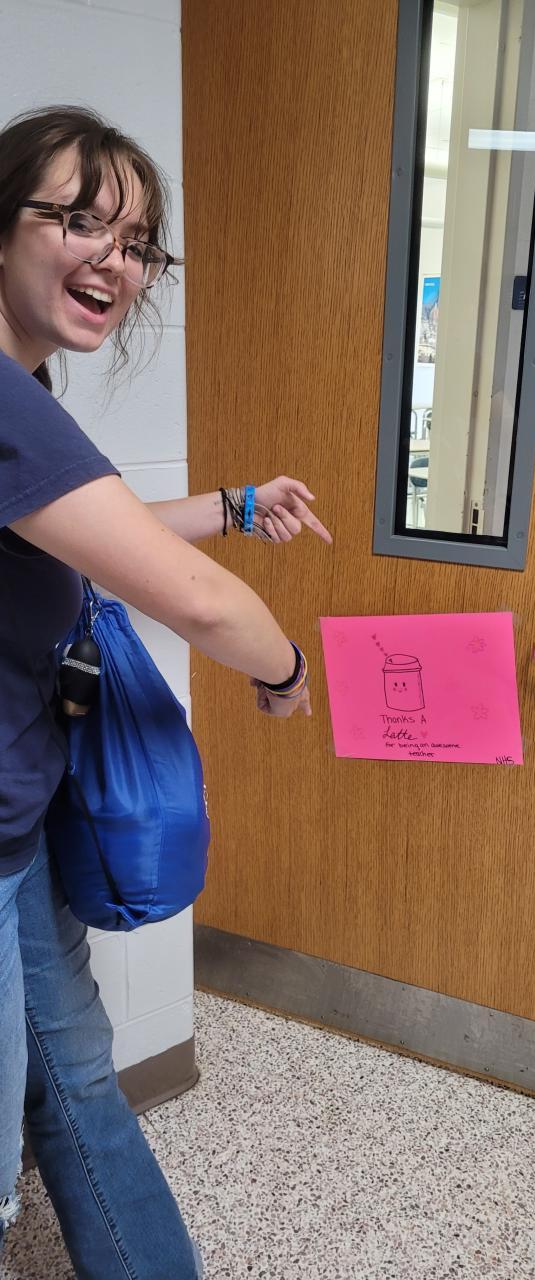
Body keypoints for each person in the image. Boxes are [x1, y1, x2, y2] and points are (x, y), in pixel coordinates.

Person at [0, 104, 332, 1279]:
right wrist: (287, 673)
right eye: (81, 221)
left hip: (16, 822)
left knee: (76, 1076)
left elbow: (92, 526)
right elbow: (199, 601)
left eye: (137, 242)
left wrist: (236, 506)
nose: (117, 259)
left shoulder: (25, 390)